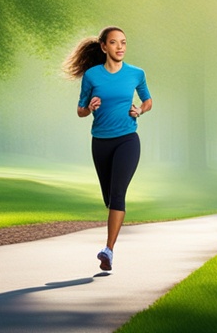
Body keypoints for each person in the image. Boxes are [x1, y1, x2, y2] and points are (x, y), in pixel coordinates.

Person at [64, 26, 152, 272]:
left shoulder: (136, 73)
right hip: (101, 142)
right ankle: (110, 240)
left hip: (127, 140)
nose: (120, 47)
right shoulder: (92, 76)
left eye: (123, 42)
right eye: (114, 43)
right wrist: (90, 107)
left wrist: (140, 110)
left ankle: (108, 250)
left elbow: (148, 100)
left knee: (117, 196)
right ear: (104, 47)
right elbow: (80, 111)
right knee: (108, 198)